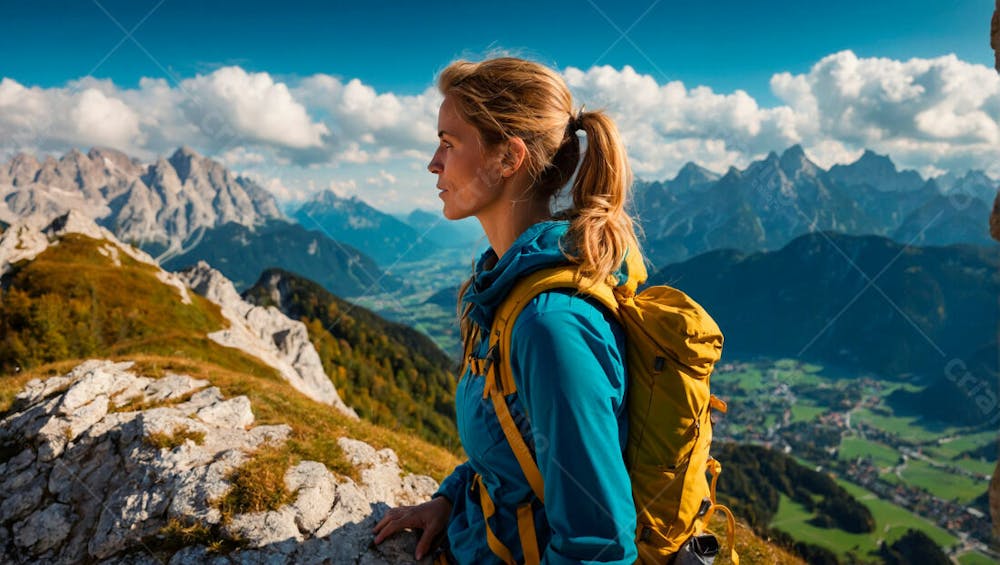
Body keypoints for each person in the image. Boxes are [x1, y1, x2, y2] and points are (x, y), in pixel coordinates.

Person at [373, 56, 641, 564]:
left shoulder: (550, 325)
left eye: (449, 144)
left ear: (507, 158)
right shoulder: (503, 286)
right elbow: (516, 441)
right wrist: (451, 497)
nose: (433, 162)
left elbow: (599, 548)